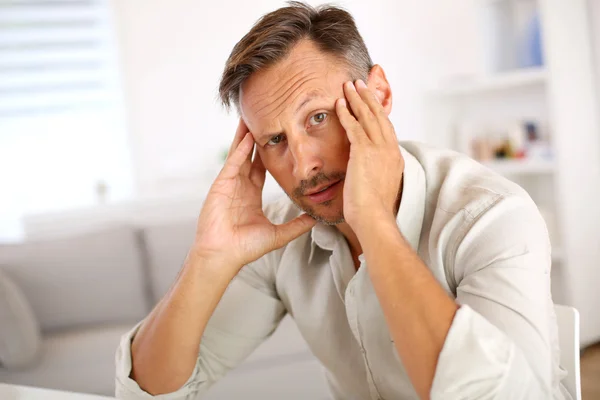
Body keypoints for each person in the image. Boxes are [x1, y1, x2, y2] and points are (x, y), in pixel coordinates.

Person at [115, 2, 569, 399]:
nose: (303, 164)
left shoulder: (489, 216)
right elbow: (149, 392)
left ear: (380, 94)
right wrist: (208, 259)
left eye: (317, 117)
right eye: (274, 140)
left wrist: (372, 221)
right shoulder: (280, 230)